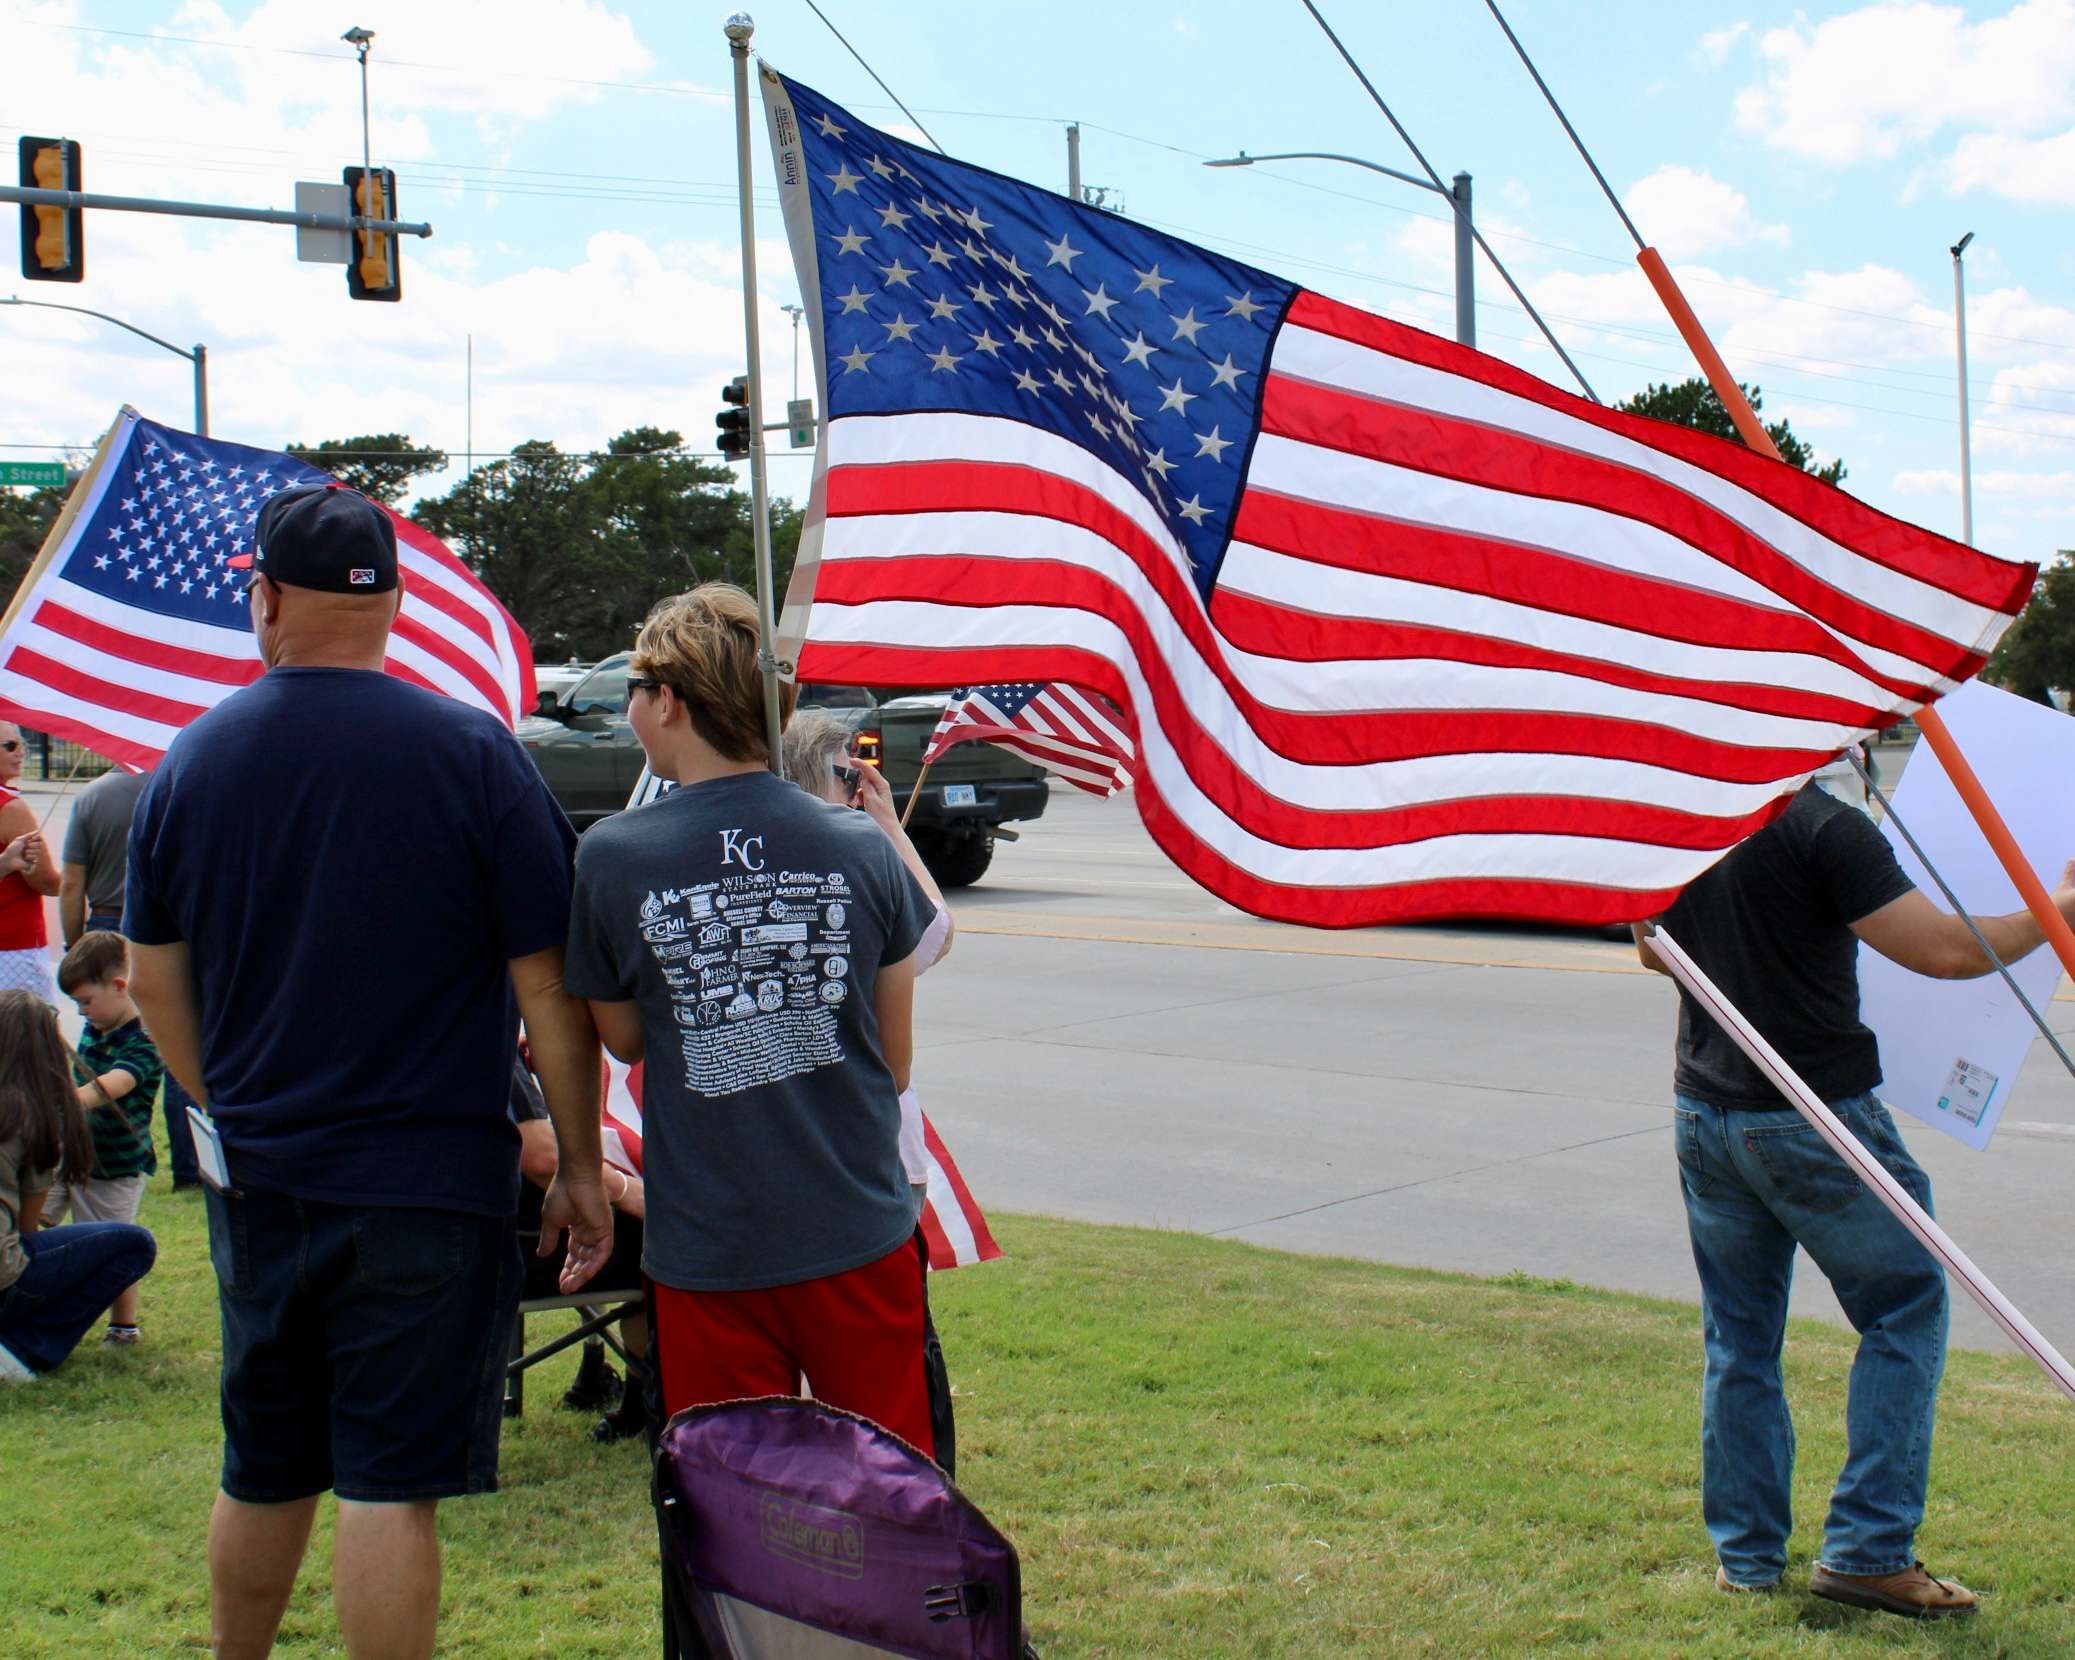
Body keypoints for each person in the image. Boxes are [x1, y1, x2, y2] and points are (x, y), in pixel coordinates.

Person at [123, 481, 612, 1660]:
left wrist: (222, 1104)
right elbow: (549, 989)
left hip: (265, 1175)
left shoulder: (192, 760)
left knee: (264, 1462)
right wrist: (581, 1167)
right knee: (389, 1485)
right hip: (429, 1179)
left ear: (266, 600)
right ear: (391, 603)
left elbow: (147, 981)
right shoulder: (472, 751)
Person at [1637, 780, 2075, 1618]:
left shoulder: (1683, 807)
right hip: (1812, 1117)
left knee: (1738, 1336)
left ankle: (1747, 1558)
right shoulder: (1821, 827)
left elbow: (1652, 948)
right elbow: (1942, 951)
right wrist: (2054, 909)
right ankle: (1869, 1553)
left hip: (1705, 1111)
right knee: (1905, 1305)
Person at [566, 584, 938, 1456]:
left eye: (633, 689)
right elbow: (893, 1063)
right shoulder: (857, 845)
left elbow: (622, 1039)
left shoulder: (611, 856)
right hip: (857, 1226)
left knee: (739, 1508)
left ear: (667, 701)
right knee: (890, 1483)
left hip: (709, 1243)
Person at [780, 710, 960, 1469]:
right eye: (846, 772)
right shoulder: (849, 870)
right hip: (863, 1155)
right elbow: (933, 934)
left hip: (795, 1154)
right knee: (884, 1359)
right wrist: (884, 824)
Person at [0, 988, 156, 1381]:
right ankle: (23, 1349)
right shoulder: (33, 1117)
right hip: (4, 1274)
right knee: (135, 1244)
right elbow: (27, 1228)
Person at [59, 763, 199, 1189]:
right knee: (173, 1036)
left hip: (105, 925)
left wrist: (74, 944)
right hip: (166, 929)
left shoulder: (91, 797)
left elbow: (70, 883)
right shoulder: (176, 788)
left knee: (101, 1042)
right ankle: (189, 1166)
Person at [510, 1054, 653, 1443]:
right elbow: (544, 1155)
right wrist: (628, 1190)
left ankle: (616, 1382)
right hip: (544, 1248)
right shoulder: (492, 1044)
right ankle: (649, 1393)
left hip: (515, 1240)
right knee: (665, 1222)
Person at [44, 931, 164, 1345]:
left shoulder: (146, 1040)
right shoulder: (98, 1024)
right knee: (37, 1212)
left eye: (85, 1001)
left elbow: (114, 1083)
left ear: (119, 986)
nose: (81, 1011)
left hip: (116, 1167)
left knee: (115, 1245)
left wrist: (66, 1102)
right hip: (74, 1154)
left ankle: (123, 1326)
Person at [0, 721, 58, 1003]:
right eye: (10, 746)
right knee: (28, 1036)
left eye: (21, 744)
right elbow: (45, 881)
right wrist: (79, 878)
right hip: (14, 943)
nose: (20, 752)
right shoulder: (10, 807)